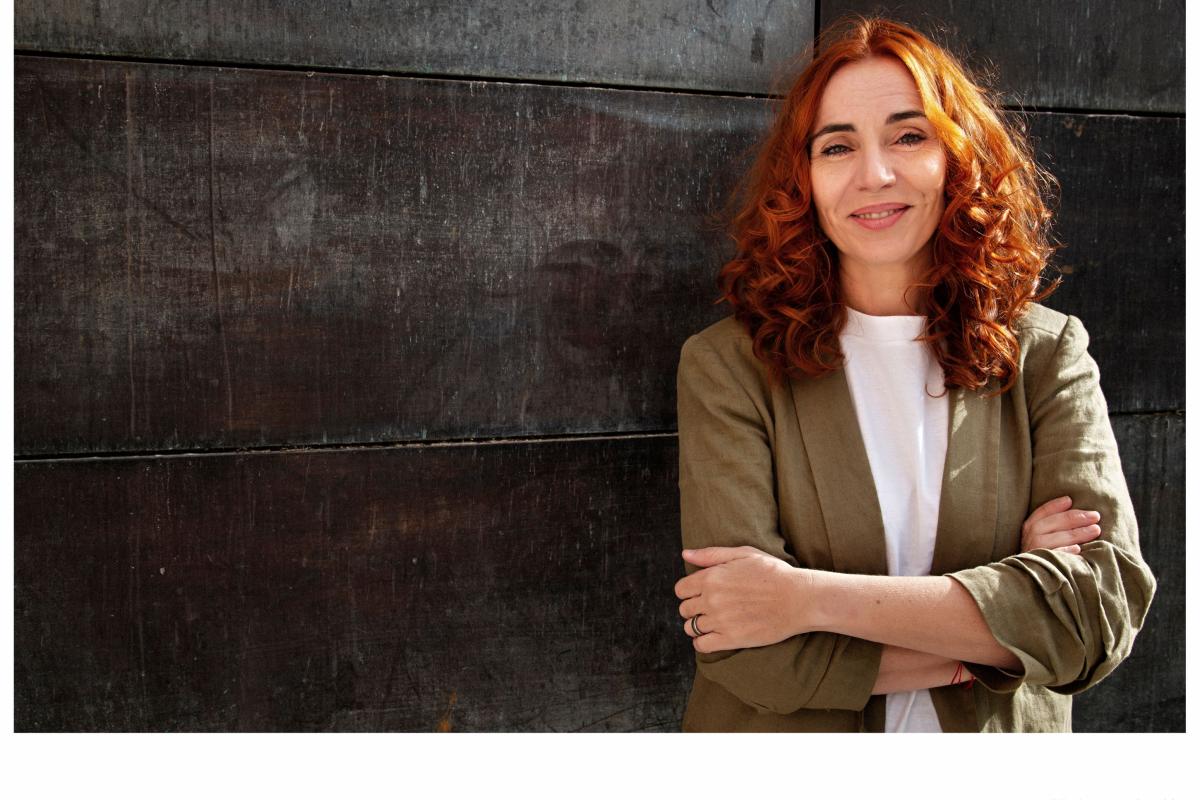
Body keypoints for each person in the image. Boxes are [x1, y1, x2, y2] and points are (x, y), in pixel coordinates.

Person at [672, 16, 1155, 732]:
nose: (874, 174)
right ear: (803, 179)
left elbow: (1095, 614)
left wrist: (805, 599)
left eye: (909, 136)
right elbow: (747, 651)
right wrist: (1001, 633)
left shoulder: (1047, 354)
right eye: (838, 146)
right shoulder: (729, 367)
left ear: (957, 159)